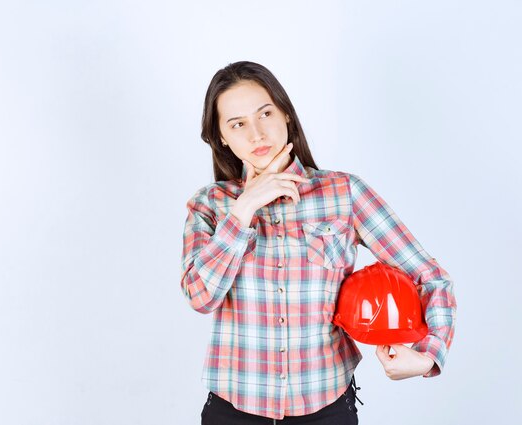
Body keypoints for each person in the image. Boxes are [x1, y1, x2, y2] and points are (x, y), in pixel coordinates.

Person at [180, 61, 457, 424]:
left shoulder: (345, 194)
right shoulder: (210, 204)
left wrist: (429, 353)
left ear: (286, 116)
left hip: (326, 409)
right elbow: (200, 296)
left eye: (265, 113)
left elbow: (430, 276)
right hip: (233, 410)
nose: (257, 133)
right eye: (238, 124)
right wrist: (244, 208)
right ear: (220, 138)